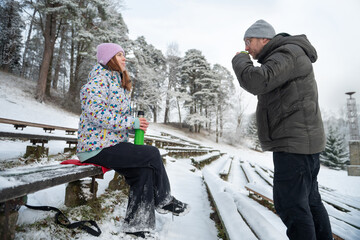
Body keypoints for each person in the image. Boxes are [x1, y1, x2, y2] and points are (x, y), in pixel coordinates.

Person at [232, 20, 333, 240]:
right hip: (299, 143)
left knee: (292, 206)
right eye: (244, 44)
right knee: (309, 201)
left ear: (264, 39)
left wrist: (240, 60)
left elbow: (258, 81)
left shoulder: (287, 53)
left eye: (249, 41)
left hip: (294, 145)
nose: (247, 48)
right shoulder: (285, 54)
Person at [77, 43, 190, 238]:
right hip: (96, 147)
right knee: (152, 153)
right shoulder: (96, 82)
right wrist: (131, 122)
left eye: (124, 55)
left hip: (112, 144)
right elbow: (97, 114)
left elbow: (113, 119)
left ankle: (138, 226)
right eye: (119, 55)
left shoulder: (116, 82)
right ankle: (164, 199)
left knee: (144, 171)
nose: (124, 58)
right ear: (108, 58)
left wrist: (133, 126)